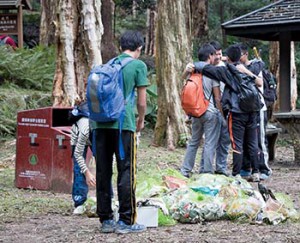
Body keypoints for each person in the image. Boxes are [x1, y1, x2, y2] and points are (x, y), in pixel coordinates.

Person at [91, 30, 149, 234]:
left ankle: (106, 219)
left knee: (103, 171)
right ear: (139, 48)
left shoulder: (109, 64)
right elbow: (142, 101)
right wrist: (141, 120)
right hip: (124, 126)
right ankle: (126, 220)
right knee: (126, 171)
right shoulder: (138, 66)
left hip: (99, 125)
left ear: (121, 46)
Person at [186, 44, 262, 181]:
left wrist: (193, 65)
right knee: (252, 141)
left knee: (236, 142)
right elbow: (260, 76)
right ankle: (256, 171)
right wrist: (247, 71)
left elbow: (207, 69)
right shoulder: (252, 67)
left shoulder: (226, 71)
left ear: (228, 57)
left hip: (237, 111)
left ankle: (236, 173)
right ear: (242, 56)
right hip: (253, 110)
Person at [180, 43, 223, 178]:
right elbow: (217, 97)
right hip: (210, 112)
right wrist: (222, 113)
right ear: (210, 56)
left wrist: (186, 71)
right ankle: (207, 173)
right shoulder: (212, 72)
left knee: (194, 141)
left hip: (195, 111)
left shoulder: (193, 69)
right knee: (210, 143)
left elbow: (183, 80)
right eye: (214, 55)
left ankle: (185, 171)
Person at [238, 44, 272, 180]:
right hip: (245, 109)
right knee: (246, 139)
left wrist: (245, 71)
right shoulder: (237, 67)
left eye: (239, 54)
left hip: (259, 108)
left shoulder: (256, 66)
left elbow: (259, 82)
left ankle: (264, 168)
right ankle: (246, 167)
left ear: (245, 54)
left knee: (260, 140)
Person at [70, 101, 96, 214]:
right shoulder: (85, 130)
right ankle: (79, 201)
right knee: (78, 169)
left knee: (105, 166)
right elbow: (77, 154)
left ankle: (106, 199)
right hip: (78, 136)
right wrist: (87, 173)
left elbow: (109, 158)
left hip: (94, 136)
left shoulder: (105, 132)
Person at [209, 40, 231, 176]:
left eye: (220, 54)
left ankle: (221, 167)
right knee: (211, 141)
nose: (218, 57)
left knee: (225, 140)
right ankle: (207, 166)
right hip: (212, 109)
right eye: (215, 54)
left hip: (226, 108)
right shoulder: (206, 68)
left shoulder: (225, 67)